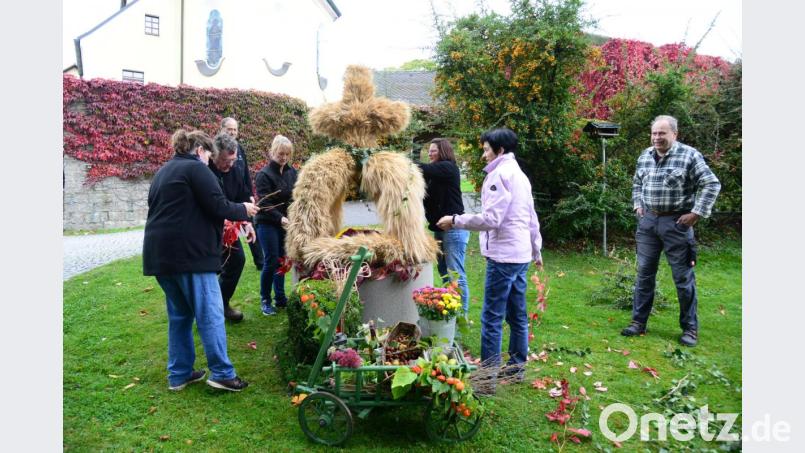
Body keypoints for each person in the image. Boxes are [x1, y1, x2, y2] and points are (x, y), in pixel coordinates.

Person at [143, 129, 258, 392]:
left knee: (180, 315)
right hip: (190, 257)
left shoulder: (163, 172)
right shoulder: (196, 169)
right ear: (200, 151)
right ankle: (222, 373)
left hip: (160, 258)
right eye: (209, 155)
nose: (209, 160)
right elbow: (217, 205)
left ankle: (180, 374)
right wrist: (244, 209)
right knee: (210, 314)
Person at [437, 127, 543, 393]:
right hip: (520, 257)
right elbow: (531, 217)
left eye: (486, 149)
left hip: (504, 258)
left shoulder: (499, 175)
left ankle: (486, 380)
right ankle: (516, 369)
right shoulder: (519, 175)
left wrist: (455, 221)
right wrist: (536, 250)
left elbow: (492, 219)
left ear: (500, 150)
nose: (483, 154)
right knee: (517, 314)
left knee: (492, 317)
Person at [623, 115, 721, 347]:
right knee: (644, 274)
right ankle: (638, 322)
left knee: (683, 278)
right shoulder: (645, 156)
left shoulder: (689, 155)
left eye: (662, 133)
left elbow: (711, 183)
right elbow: (637, 182)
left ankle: (690, 329)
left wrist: (696, 213)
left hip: (676, 225)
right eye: (654, 133)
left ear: (674, 134)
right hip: (648, 223)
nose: (657, 138)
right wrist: (638, 204)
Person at [415, 138, 470, 314]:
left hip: (454, 230)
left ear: (443, 152)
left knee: (455, 274)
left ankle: (462, 313)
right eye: (429, 150)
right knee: (444, 271)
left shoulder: (448, 167)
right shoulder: (435, 175)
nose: (430, 153)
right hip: (441, 230)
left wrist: (399, 163)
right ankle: (451, 308)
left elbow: (423, 168)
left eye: (433, 151)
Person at [209, 132, 256, 322]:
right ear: (214, 155)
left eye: (233, 160)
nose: (230, 165)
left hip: (230, 229)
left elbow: (243, 196)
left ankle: (222, 303)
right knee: (210, 270)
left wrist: (247, 224)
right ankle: (207, 310)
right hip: (208, 229)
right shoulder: (205, 171)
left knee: (237, 260)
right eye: (225, 160)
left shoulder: (235, 170)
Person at [254, 135, 298, 316]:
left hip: (285, 223)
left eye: (287, 154)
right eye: (281, 154)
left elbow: (295, 196)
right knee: (271, 260)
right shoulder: (263, 175)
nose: (284, 158)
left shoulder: (292, 172)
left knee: (283, 261)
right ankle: (265, 299)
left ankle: (280, 298)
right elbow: (264, 204)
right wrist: (280, 218)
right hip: (267, 222)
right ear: (273, 152)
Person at [221, 117, 265, 270]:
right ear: (222, 130)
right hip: (225, 199)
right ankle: (223, 263)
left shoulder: (239, 148)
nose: (232, 132)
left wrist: (250, 194)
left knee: (248, 226)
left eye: (234, 129)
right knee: (227, 231)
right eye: (229, 129)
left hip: (241, 195)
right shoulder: (217, 149)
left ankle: (260, 261)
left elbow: (245, 172)